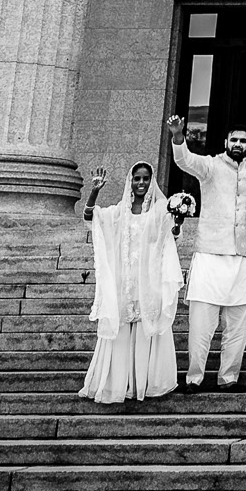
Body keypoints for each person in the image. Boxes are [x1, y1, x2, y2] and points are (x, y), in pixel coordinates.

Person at [164, 114, 246, 391]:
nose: (238, 144)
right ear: (225, 142)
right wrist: (178, 136)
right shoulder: (210, 166)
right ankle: (194, 378)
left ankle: (228, 377)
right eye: (234, 139)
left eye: (243, 141)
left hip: (243, 257)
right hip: (210, 255)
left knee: (239, 326)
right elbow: (185, 161)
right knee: (201, 326)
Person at [78, 161, 183, 404]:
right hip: (124, 279)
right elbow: (90, 218)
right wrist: (94, 191)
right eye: (137, 178)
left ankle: (145, 383)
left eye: (146, 179)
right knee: (123, 329)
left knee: (147, 328)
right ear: (130, 181)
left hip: (149, 279)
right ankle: (119, 383)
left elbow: (173, 234)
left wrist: (177, 219)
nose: (141, 183)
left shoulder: (159, 210)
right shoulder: (118, 212)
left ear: (152, 181)